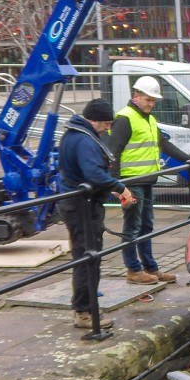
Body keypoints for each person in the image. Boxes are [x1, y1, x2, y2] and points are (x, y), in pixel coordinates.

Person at [109, 76, 190, 286]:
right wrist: (117, 186)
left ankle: (150, 268)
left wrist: (188, 158)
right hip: (131, 183)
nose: (151, 104)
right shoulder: (125, 119)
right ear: (136, 96)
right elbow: (113, 153)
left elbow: (164, 145)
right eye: (148, 100)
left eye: (153, 101)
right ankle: (133, 270)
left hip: (146, 181)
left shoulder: (149, 120)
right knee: (133, 227)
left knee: (146, 226)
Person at [58, 98, 134, 331]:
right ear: (96, 120)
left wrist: (106, 189)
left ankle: (86, 307)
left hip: (76, 202)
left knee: (86, 257)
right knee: (88, 258)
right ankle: (84, 312)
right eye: (107, 123)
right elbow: (93, 173)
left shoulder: (74, 134)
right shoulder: (84, 140)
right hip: (82, 206)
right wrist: (120, 187)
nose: (108, 128)